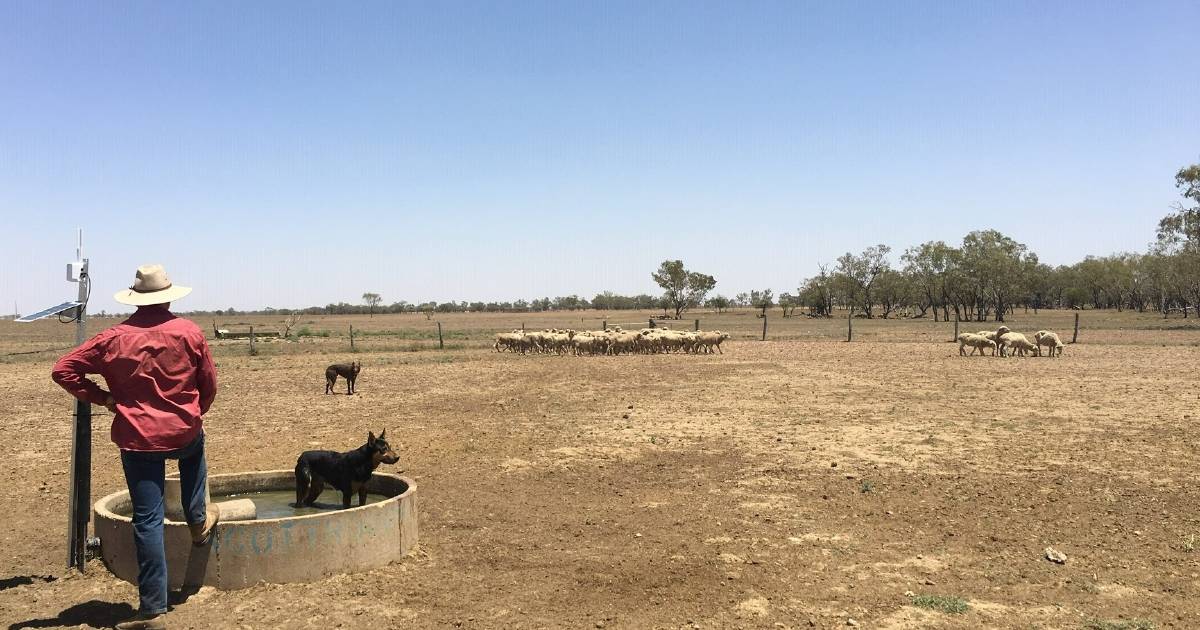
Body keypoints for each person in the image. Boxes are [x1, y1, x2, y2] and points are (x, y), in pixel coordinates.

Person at [52, 264, 218, 630]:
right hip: (183, 431)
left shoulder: (112, 338)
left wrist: (105, 399)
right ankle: (197, 520)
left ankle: (153, 609)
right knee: (194, 453)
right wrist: (192, 414)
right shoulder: (189, 332)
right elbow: (209, 384)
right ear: (169, 296)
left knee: (147, 519)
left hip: (138, 438)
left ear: (135, 299)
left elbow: (63, 370)